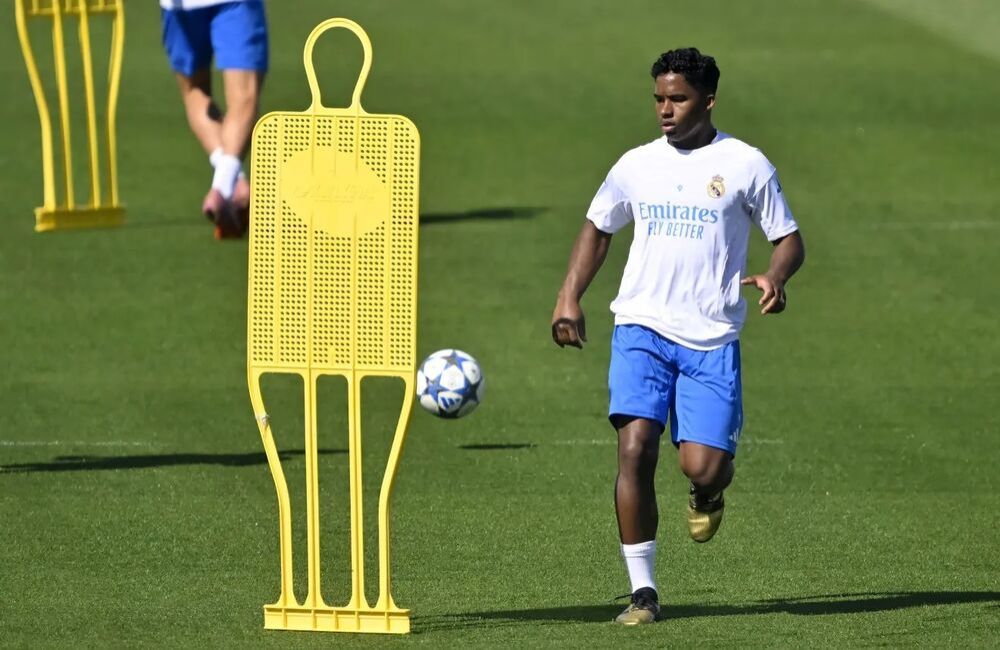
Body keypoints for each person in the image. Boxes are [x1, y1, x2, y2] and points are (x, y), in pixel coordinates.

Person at [551, 47, 805, 625]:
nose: (665, 110)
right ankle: (643, 593)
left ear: (708, 100)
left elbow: (788, 237)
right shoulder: (636, 164)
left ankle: (709, 494)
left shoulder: (745, 164)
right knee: (634, 448)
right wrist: (570, 296)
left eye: (678, 99)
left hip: (710, 339)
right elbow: (598, 227)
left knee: (703, 466)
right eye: (659, 99)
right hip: (640, 326)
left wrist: (777, 274)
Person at [160, 0, 269, 238]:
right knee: (244, 97)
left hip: (178, 7)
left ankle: (232, 182)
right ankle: (223, 186)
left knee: (194, 92)